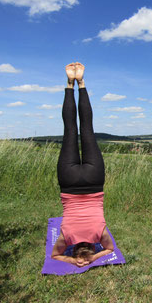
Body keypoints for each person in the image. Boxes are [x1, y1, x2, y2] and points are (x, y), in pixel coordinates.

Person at [51, 62, 114, 268]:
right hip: (69, 182)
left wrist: (93, 257)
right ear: (74, 248)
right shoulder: (66, 238)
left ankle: (81, 83)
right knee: (70, 130)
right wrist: (72, 259)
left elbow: (110, 249)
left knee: (87, 129)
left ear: (93, 247)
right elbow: (55, 256)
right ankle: (70, 83)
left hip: (94, 181)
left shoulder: (100, 235)